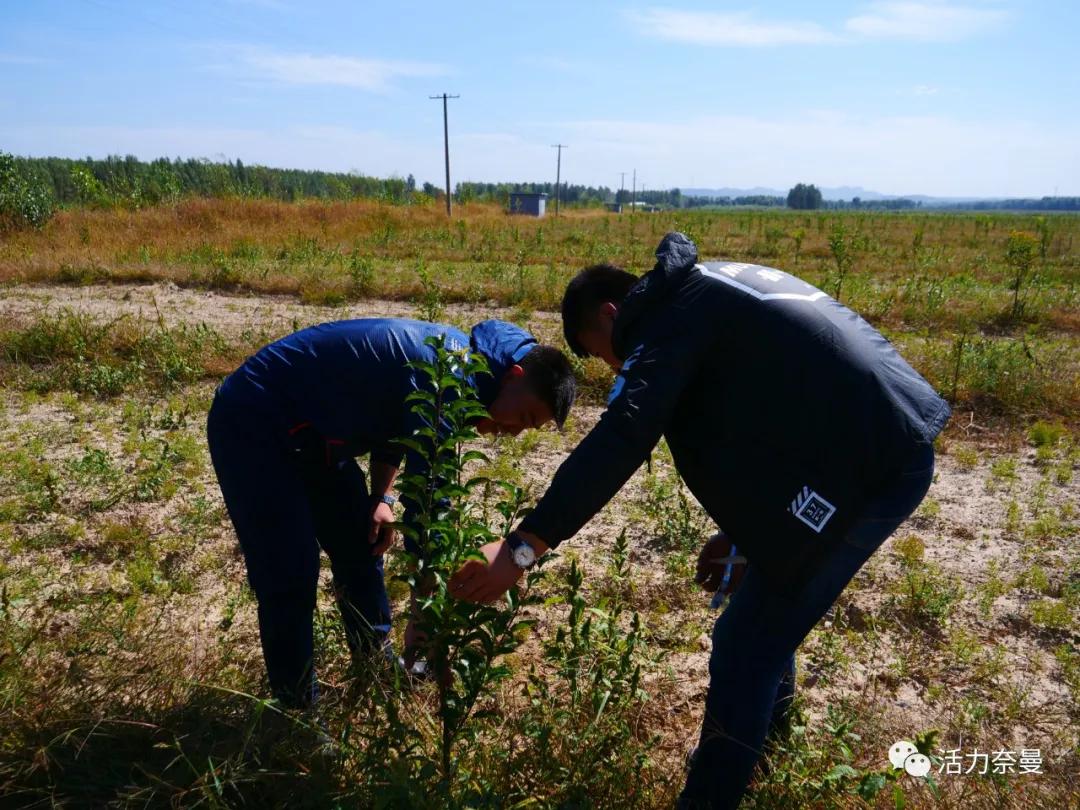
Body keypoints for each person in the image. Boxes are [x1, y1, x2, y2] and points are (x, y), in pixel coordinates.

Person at [449, 232, 951, 808]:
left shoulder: (668, 324)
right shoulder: (702, 293)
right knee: (764, 606)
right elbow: (771, 420)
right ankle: (760, 745)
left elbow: (623, 437)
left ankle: (713, 795)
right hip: (875, 435)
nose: (617, 366)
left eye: (605, 354)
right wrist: (744, 536)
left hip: (874, 461)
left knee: (746, 644)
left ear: (611, 313)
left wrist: (522, 547)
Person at [207, 317, 576, 708]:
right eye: (526, 418)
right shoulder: (449, 378)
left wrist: (381, 497)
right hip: (255, 422)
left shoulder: (470, 370)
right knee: (289, 571)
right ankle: (297, 710)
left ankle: (374, 665)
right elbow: (428, 503)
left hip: (314, 435)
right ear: (514, 376)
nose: (515, 432)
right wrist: (423, 615)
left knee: (360, 541)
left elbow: (397, 427)